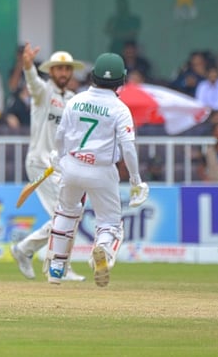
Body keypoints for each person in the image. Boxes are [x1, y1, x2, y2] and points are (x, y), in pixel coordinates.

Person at [45, 53, 148, 287]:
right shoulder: (120, 109)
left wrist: (57, 157)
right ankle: (102, 251)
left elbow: (60, 135)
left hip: (72, 166)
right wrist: (135, 180)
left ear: (92, 76)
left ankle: (56, 268)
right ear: (121, 80)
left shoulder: (76, 100)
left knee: (66, 213)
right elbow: (128, 148)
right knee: (110, 223)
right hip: (102, 170)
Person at [10, 46, 87, 282]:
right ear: (51, 71)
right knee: (65, 215)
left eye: (67, 69)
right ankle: (57, 265)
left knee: (69, 215)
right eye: (59, 68)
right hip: (40, 163)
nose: (63, 73)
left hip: (61, 166)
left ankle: (26, 249)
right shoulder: (44, 92)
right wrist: (27, 65)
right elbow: (33, 82)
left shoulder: (74, 100)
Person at [3, 45, 31, 128]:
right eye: (20, 54)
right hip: (17, 101)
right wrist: (19, 66)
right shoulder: (14, 70)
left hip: (32, 100)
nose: (23, 56)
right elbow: (12, 87)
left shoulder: (35, 68)